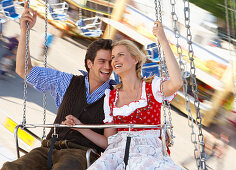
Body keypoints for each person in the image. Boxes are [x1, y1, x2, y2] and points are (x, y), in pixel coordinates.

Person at [2, 1, 114, 170]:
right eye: (102, 61)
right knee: (11, 167)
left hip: (81, 154)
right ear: (89, 63)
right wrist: (25, 31)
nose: (107, 67)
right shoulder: (66, 81)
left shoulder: (115, 96)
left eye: (111, 62)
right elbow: (25, 71)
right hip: (49, 147)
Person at [63, 21, 183, 169]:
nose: (115, 60)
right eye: (113, 57)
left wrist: (163, 41)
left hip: (147, 153)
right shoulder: (111, 98)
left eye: (120, 55)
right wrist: (80, 126)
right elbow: (108, 141)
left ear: (135, 59)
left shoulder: (152, 88)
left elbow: (177, 82)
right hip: (117, 153)